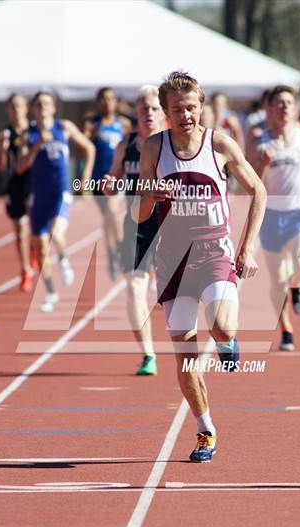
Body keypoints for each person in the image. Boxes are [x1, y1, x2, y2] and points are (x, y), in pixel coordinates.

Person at [132, 71, 266, 462]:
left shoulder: (219, 143)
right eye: (177, 109)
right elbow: (139, 214)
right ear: (166, 111)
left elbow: (257, 189)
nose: (185, 115)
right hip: (172, 261)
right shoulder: (154, 147)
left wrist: (247, 248)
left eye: (191, 107)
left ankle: (227, 342)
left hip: (213, 253)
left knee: (222, 325)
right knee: (185, 357)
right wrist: (151, 196)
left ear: (201, 106)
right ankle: (205, 431)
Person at [248, 85, 300, 351]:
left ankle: (299, 287)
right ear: (269, 109)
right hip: (271, 217)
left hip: (299, 214)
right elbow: (250, 184)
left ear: (295, 108)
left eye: (289, 103)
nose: (284, 107)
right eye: (279, 103)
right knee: (277, 281)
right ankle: (286, 328)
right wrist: (261, 163)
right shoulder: (260, 141)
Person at [104, 85, 167, 376]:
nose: (149, 114)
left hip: (171, 223)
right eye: (144, 109)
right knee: (134, 289)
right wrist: (109, 183)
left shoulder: (173, 143)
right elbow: (114, 177)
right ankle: (148, 355)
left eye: (155, 109)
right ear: (136, 114)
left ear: (163, 112)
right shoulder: (125, 145)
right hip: (137, 225)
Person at [16, 91, 95, 312]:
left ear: (53, 108)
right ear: (33, 109)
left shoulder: (64, 127)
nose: (42, 107)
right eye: (38, 104)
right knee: (40, 248)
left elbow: (89, 148)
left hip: (60, 192)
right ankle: (50, 292)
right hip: (38, 196)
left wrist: (85, 176)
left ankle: (63, 259)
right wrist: (37, 144)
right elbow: (21, 166)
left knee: (56, 234)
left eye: (47, 104)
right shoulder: (28, 134)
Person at [83, 87, 132, 279]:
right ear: (98, 103)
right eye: (103, 99)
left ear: (115, 101)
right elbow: (81, 151)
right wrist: (92, 134)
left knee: (112, 211)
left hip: (117, 176)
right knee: (107, 217)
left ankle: (119, 247)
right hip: (98, 178)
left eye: (111, 98)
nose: (107, 102)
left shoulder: (124, 123)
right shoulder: (92, 124)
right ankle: (112, 252)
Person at [0, 94, 32, 292]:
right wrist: (1, 147)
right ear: (8, 110)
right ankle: (25, 270)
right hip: (16, 185)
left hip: (35, 183)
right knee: (20, 230)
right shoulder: (6, 133)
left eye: (19, 106)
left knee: (38, 228)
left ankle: (35, 249)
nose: (16, 110)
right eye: (12, 107)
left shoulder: (34, 129)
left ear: (26, 108)